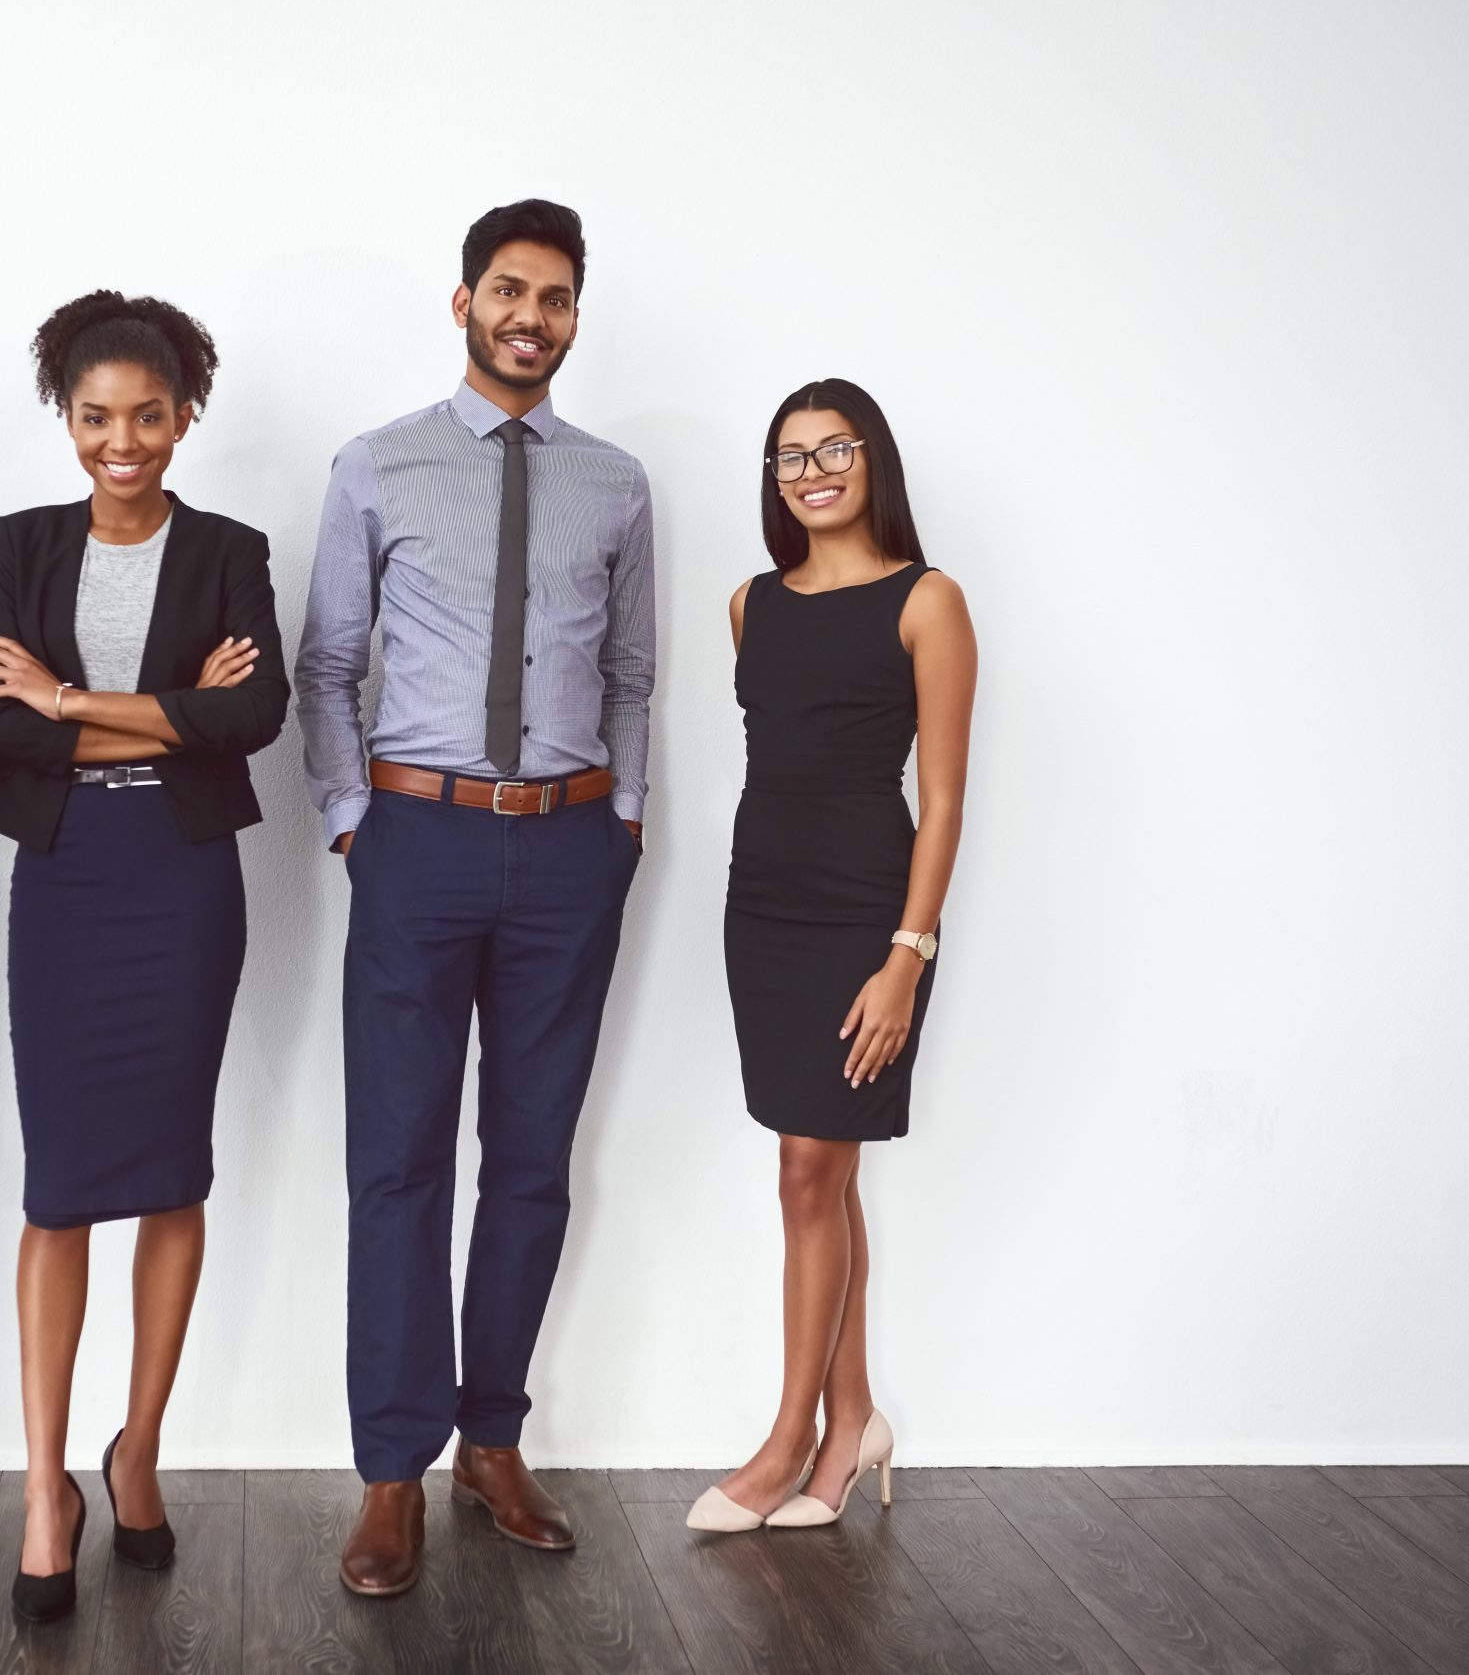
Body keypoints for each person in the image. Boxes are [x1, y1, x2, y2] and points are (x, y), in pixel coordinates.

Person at [294, 199, 655, 1597]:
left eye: (556, 297)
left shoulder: (618, 482)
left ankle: (490, 1440)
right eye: (508, 290)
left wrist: (621, 819)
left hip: (568, 850)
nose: (531, 315)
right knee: (396, 1162)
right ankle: (392, 1469)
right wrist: (352, 825)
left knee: (533, 1155)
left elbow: (630, 671)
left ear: (573, 317)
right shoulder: (378, 463)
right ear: (463, 304)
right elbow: (327, 661)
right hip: (417, 843)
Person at [0, 291, 289, 1623]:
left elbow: (251, 713)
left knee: (169, 1169)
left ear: (186, 414)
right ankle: (49, 1483)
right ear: (67, 417)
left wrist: (73, 697)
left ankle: (137, 1445)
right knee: (57, 1188)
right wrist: (162, 720)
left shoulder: (228, 548)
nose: (122, 440)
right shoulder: (22, 543)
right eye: (97, 416)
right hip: (67, 883)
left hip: (183, 884)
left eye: (147, 415)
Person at [685, 379, 976, 1534]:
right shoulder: (751, 603)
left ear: (872, 460)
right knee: (819, 1171)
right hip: (761, 906)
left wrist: (907, 954)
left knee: (810, 1169)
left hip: (869, 912)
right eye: (789, 457)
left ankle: (786, 1440)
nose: (811, 472)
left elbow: (943, 798)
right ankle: (853, 1418)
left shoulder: (928, 599)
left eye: (832, 449)